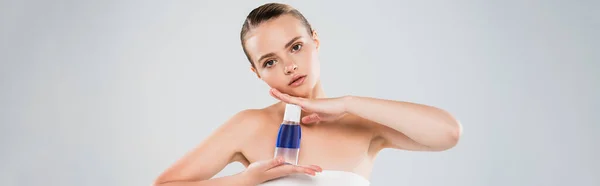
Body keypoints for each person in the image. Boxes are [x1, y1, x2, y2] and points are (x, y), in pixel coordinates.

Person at [153, 2, 462, 186]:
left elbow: (448, 133)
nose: (289, 66)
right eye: (270, 61)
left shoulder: (361, 122)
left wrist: (346, 103)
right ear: (257, 73)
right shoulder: (248, 126)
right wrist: (247, 179)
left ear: (315, 40)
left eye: (296, 47)